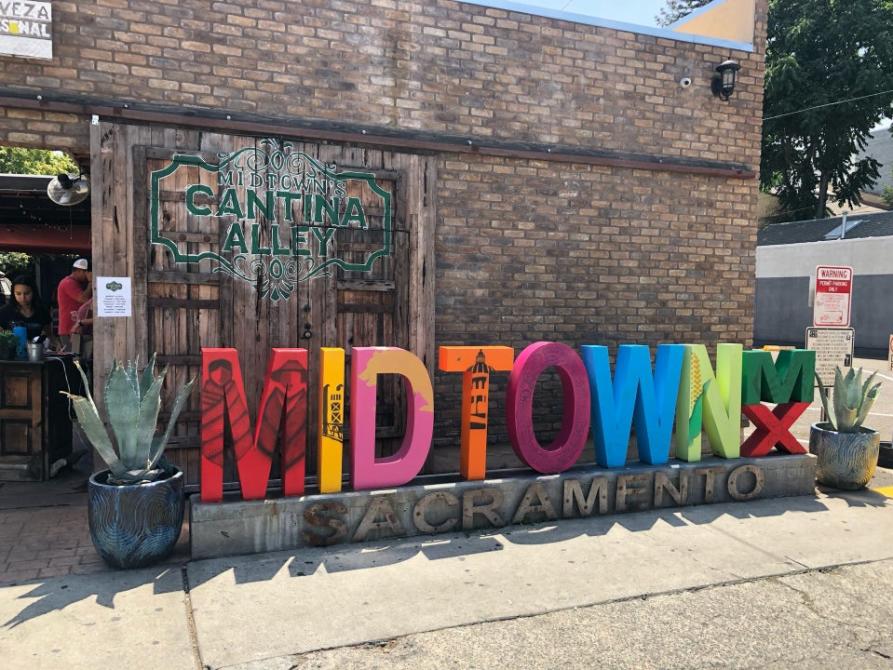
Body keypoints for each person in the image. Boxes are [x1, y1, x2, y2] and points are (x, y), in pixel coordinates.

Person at [0, 275, 51, 340]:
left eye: (27, 293)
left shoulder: (42, 311)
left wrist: (57, 345)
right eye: (18, 294)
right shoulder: (4, 312)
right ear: (13, 294)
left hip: (36, 348)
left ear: (34, 292)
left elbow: (50, 336)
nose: (23, 298)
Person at [57, 258, 92, 351]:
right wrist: (91, 282)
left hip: (76, 329)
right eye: (87, 273)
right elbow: (83, 299)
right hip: (69, 329)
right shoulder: (68, 283)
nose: (88, 276)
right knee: (73, 359)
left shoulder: (76, 283)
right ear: (80, 271)